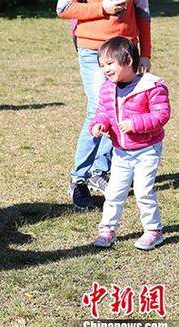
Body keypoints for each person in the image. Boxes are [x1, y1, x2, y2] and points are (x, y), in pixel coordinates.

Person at [56, 0, 152, 210]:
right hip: (92, 50)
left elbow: (143, 13)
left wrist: (145, 53)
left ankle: (99, 172)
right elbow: (62, 8)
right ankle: (78, 179)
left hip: (125, 51)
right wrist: (103, 9)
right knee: (98, 110)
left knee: (120, 108)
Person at [89, 36, 170, 250]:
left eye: (109, 63)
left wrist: (135, 123)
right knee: (114, 191)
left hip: (147, 150)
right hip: (121, 152)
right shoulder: (107, 88)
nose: (105, 69)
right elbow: (103, 112)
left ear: (128, 61)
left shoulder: (151, 86)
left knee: (143, 191)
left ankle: (153, 230)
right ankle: (107, 229)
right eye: (102, 64)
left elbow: (161, 115)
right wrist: (99, 125)